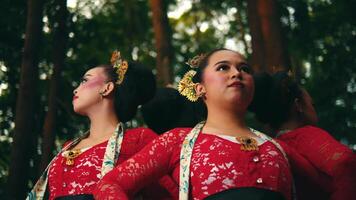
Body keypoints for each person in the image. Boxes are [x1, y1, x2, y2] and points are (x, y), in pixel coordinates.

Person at [94, 48, 294, 200]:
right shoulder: (178, 141)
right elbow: (109, 184)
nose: (236, 73)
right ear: (199, 89)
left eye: (245, 69)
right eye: (223, 67)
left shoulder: (278, 147)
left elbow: (325, 186)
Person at [27, 51, 173, 200]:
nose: (75, 89)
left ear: (107, 88)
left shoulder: (139, 140)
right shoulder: (67, 146)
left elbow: (172, 192)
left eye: (85, 81)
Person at [249, 71, 356, 200]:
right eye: (312, 104)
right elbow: (346, 164)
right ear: (298, 105)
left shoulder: (272, 148)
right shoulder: (306, 136)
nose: (313, 109)